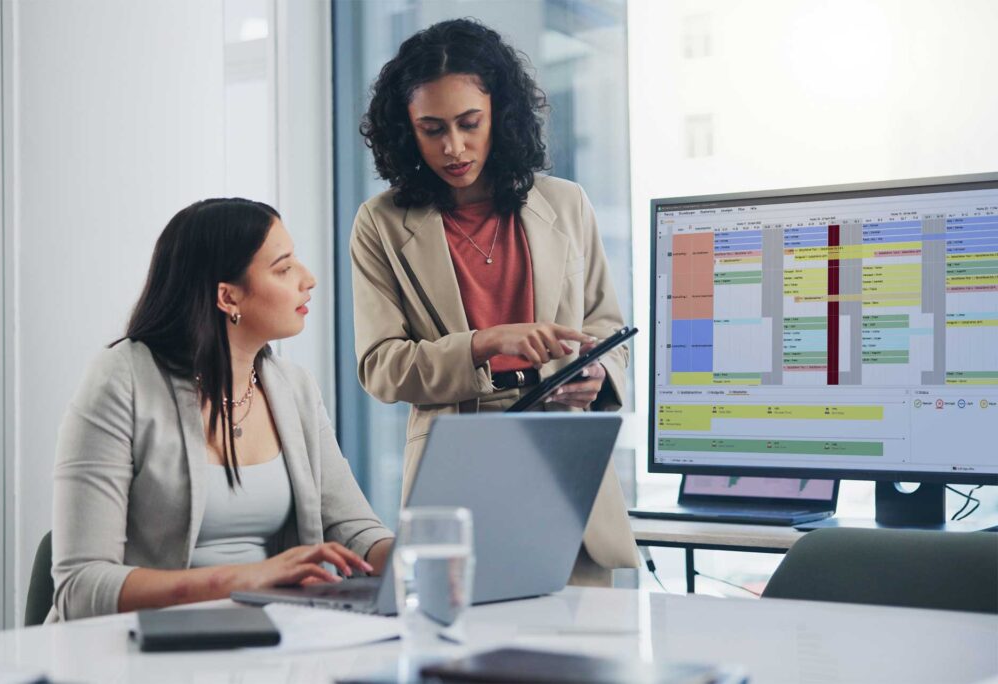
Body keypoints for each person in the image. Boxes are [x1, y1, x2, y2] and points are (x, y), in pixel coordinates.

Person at [351, 19, 637, 585]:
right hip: (456, 458)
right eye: (432, 130)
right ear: (407, 132)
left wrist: (597, 373)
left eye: (469, 124)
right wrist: (484, 344)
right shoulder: (380, 223)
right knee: (455, 648)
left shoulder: (567, 204)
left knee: (580, 647)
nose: (453, 147)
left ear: (499, 116)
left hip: (560, 452)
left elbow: (608, 331)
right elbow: (380, 368)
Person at [50, 198, 393, 622]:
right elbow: (80, 587)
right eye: (284, 268)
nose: (309, 279)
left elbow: (355, 531)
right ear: (228, 297)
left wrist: (425, 551)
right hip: (137, 649)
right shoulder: (122, 380)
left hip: (268, 640)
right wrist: (248, 578)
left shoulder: (294, 388)